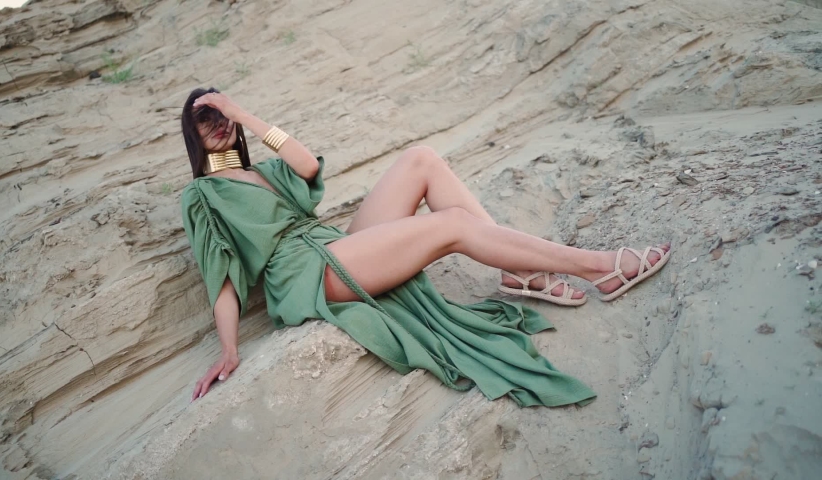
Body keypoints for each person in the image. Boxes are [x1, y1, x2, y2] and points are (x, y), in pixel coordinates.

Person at [180, 88, 670, 407]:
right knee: (451, 225)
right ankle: (598, 267)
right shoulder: (201, 196)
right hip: (305, 273)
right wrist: (229, 347)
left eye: (220, 112)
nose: (218, 122)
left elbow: (307, 166)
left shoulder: (262, 171)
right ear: (192, 135)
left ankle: (518, 271)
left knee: (421, 160)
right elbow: (220, 275)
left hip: (333, 246)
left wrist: (245, 113)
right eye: (205, 117)